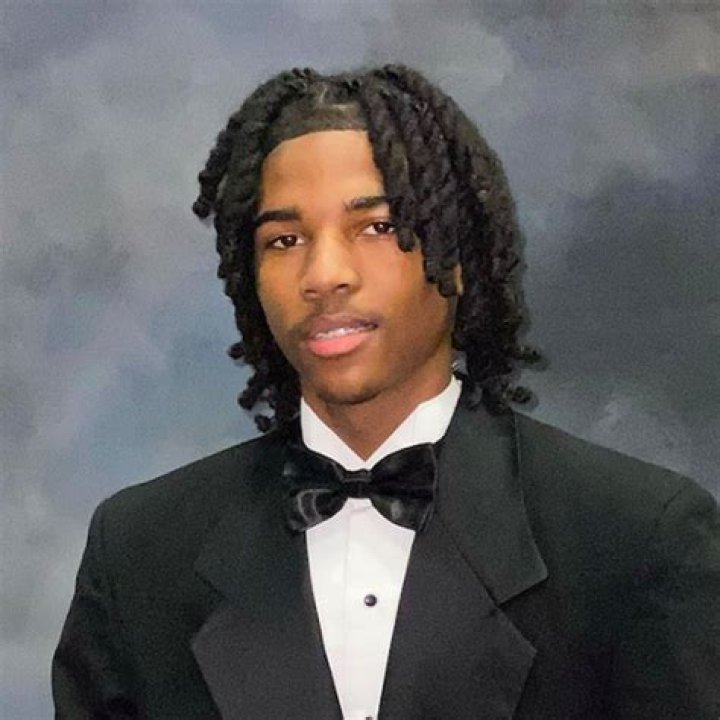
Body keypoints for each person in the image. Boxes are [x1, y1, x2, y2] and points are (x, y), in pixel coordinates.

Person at [53, 65, 720, 719]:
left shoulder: (636, 542)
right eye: (284, 239)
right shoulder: (139, 553)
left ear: (457, 258)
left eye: (375, 226)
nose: (323, 274)